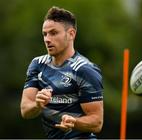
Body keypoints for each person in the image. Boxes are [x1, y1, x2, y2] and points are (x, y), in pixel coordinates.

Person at [20, 6, 104, 139]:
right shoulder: (37, 64)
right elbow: (25, 111)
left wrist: (74, 122)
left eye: (53, 33)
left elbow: (97, 122)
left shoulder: (85, 70)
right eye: (45, 34)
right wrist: (37, 105)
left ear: (71, 34)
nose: (47, 39)